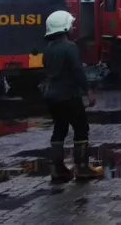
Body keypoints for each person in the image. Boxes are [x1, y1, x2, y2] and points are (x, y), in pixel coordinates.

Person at [41, 10, 103, 181]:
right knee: (81, 129)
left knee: (60, 128)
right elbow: (78, 71)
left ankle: (57, 169)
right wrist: (88, 91)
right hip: (69, 96)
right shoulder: (70, 47)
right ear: (65, 26)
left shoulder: (48, 49)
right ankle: (82, 168)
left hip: (51, 96)